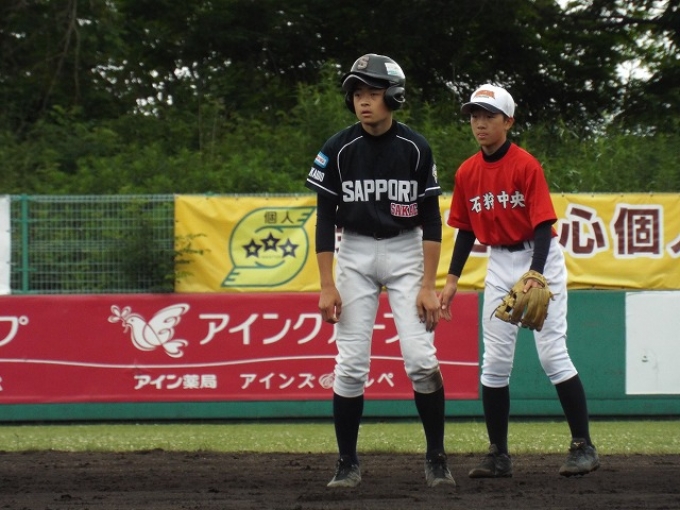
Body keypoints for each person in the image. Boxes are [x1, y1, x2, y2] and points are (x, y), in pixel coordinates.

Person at [304, 53, 455, 489]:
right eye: (357, 93)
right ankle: (347, 462)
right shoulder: (337, 148)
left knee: (421, 360)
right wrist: (326, 284)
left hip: (406, 251)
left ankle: (437, 457)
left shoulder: (415, 147)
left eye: (372, 92)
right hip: (353, 251)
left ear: (394, 96)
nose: (363, 101)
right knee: (350, 365)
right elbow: (324, 219)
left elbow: (431, 220)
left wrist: (428, 285)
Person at [439, 84, 600, 478]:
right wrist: (452, 278)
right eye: (475, 115)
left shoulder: (525, 165)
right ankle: (498, 455)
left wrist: (536, 273)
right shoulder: (467, 171)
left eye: (488, 116)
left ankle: (583, 446)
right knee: (494, 362)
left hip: (538, 257)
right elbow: (465, 230)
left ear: (508, 121)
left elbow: (543, 224)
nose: (479, 123)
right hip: (498, 261)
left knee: (552, 355)